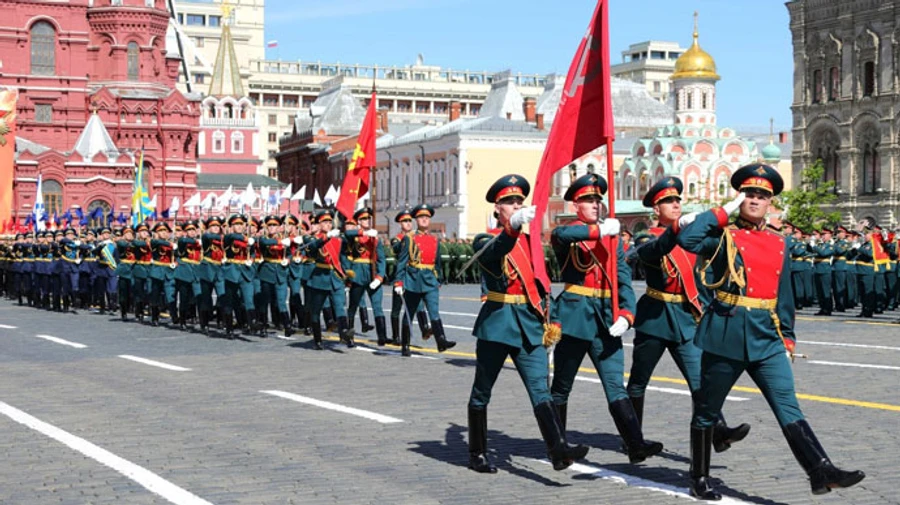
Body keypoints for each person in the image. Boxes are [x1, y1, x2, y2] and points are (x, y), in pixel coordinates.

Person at [674, 163, 864, 500]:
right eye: (749, 194)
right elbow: (687, 239)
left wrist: (788, 336)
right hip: (726, 333)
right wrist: (720, 212)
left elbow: (784, 295)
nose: (755, 200)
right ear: (739, 198)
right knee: (706, 409)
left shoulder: (781, 242)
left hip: (767, 337)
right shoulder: (724, 235)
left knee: (788, 406)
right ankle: (699, 476)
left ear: (770, 202)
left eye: (762, 195)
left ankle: (820, 470)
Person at [467, 174, 588, 474]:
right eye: (509, 202)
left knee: (540, 389)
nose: (516, 205)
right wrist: (513, 227)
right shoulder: (486, 239)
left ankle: (558, 449)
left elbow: (543, 285)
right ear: (498, 209)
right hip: (498, 324)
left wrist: (554, 319)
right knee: (482, 390)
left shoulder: (532, 244)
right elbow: (496, 252)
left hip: (530, 324)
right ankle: (477, 451)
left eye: (519, 201)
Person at [627, 177, 749, 454]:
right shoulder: (650, 236)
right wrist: (675, 230)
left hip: (686, 317)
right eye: (668, 201)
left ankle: (718, 431)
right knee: (638, 381)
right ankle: (633, 438)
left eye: (677, 200)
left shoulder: (689, 237)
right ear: (655, 210)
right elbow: (653, 251)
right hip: (656, 318)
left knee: (700, 382)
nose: (675, 204)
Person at [549, 173, 663, 464]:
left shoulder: (615, 240)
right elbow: (560, 237)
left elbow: (623, 280)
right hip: (575, 317)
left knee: (615, 384)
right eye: (588, 200)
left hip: (606, 319)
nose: (595, 205)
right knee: (562, 385)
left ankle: (635, 444)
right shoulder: (569, 233)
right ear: (576, 205)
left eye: (598, 200)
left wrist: (627, 313)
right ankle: (558, 446)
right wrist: (597, 233)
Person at [393, 204, 456, 355]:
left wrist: (439, 279)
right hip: (413, 280)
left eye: (426, 217)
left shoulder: (434, 240)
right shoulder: (409, 238)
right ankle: (405, 345)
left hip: (430, 280)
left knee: (434, 312)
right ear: (416, 220)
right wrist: (399, 281)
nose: (424, 220)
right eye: (421, 217)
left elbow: (438, 262)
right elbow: (402, 261)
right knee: (410, 312)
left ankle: (441, 340)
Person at [305, 209, 352, 349]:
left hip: (335, 277)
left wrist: (347, 274)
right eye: (324, 222)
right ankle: (318, 339)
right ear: (318, 224)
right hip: (320, 277)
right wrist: (326, 237)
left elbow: (342, 258)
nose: (327, 224)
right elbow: (312, 248)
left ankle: (344, 332)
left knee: (340, 306)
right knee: (316, 310)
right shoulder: (312, 238)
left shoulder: (338, 239)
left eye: (329, 222)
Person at [344, 207, 388, 345]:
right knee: (353, 305)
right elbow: (347, 233)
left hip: (372, 273)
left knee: (377, 306)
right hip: (358, 273)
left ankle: (382, 336)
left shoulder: (375, 238)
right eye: (363, 219)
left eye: (368, 218)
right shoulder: (354, 236)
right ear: (358, 221)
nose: (367, 221)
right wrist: (363, 232)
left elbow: (381, 259)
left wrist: (380, 276)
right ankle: (349, 335)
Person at [811, 227, 835, 316]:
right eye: (822, 235)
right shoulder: (820, 245)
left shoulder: (831, 246)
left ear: (830, 235)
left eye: (825, 234)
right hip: (817, 269)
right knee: (819, 291)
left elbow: (824, 253)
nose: (823, 236)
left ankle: (828, 309)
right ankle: (822, 307)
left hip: (825, 270)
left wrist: (814, 246)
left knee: (826, 291)